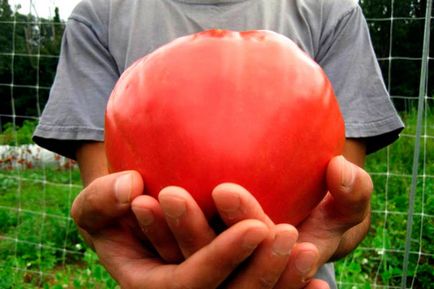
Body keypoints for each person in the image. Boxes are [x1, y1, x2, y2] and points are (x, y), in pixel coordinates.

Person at [33, 0, 404, 288]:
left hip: (296, 279)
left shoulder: (332, 10)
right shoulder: (98, 16)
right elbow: (107, 202)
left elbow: (346, 204)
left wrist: (335, 227)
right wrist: (112, 233)